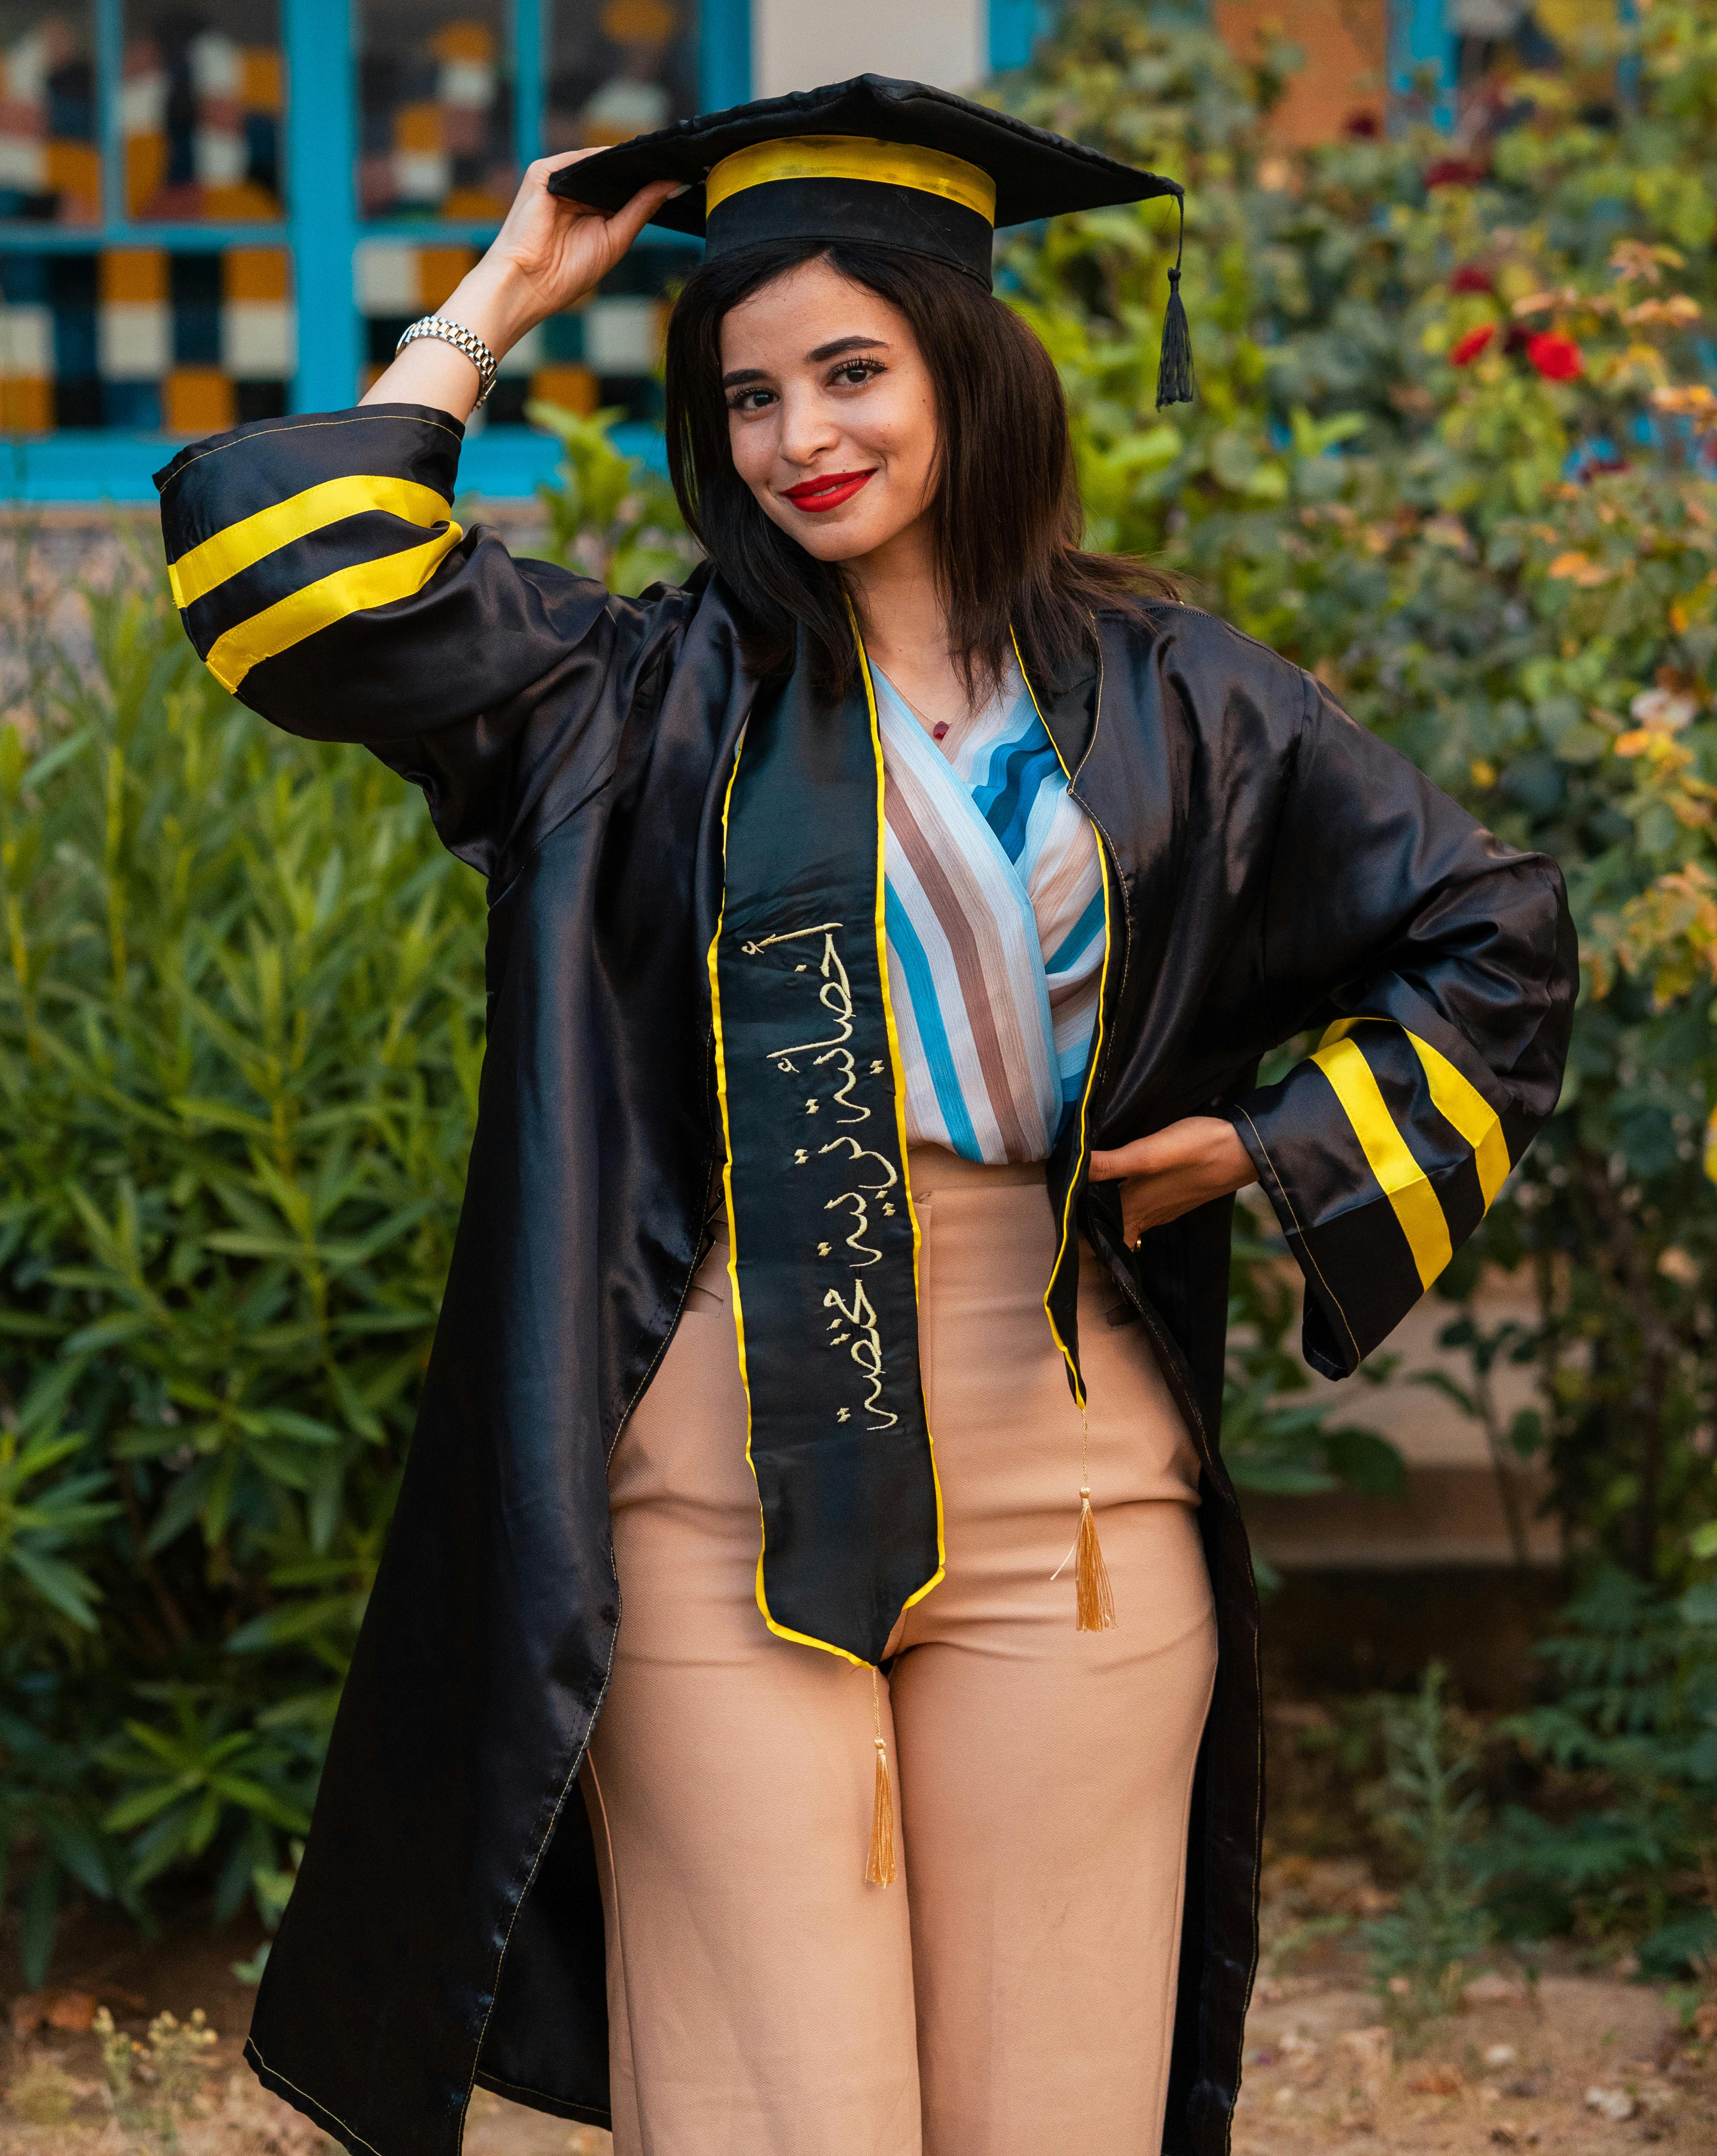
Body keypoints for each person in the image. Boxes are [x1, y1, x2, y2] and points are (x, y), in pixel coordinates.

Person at [154, 74, 1576, 2156]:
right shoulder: (614, 699)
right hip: (717, 1497)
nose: (799, 437)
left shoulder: (1178, 693)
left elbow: (1492, 934)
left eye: (850, 370)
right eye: (746, 396)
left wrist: (1275, 1147)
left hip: (1068, 1493)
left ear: (967, 374)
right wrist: (496, 296)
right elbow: (302, 571)